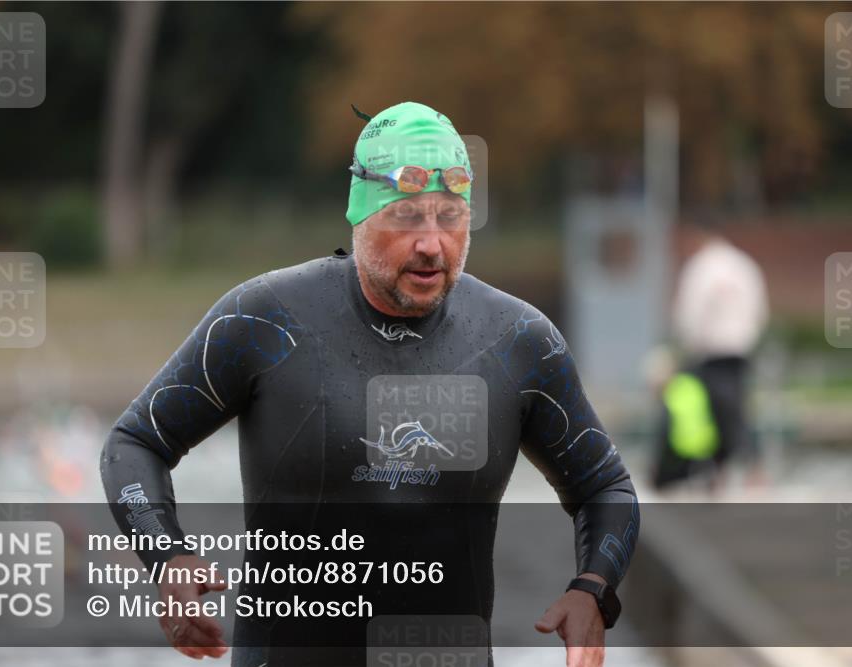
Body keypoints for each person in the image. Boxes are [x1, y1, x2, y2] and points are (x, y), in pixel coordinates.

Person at [100, 101, 639, 667]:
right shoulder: (264, 321)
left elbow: (606, 488)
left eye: (450, 216)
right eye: (407, 216)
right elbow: (135, 443)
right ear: (361, 215)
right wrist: (167, 557)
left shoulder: (518, 340)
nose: (432, 243)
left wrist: (593, 590)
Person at [652, 220, 769, 490]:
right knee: (735, 408)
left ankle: (726, 471)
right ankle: (736, 470)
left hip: (709, 351)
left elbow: (689, 314)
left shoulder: (700, 267)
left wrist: (683, 346)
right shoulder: (744, 265)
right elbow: (760, 310)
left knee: (715, 413)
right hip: (740, 349)